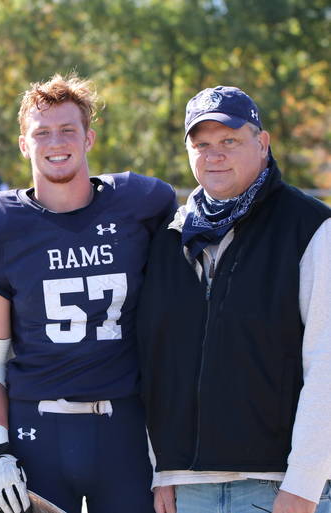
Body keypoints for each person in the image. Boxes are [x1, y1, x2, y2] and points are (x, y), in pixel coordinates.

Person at [0, 73, 177, 513]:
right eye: (43, 132)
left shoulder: (138, 204)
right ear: (24, 144)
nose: (56, 142)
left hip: (126, 428)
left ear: (89, 137)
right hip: (39, 430)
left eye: (68, 129)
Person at [137, 86, 331, 513]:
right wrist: (161, 470)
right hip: (187, 488)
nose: (214, 155)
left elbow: (327, 363)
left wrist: (304, 484)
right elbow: (156, 359)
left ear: (262, 144)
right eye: (201, 144)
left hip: (277, 486)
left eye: (229, 141)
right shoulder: (170, 237)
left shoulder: (310, 228)